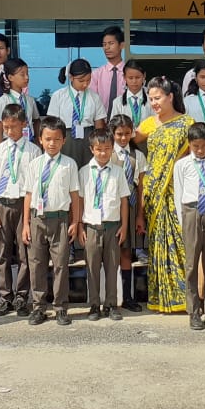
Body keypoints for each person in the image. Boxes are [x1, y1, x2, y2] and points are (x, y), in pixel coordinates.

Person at [134, 76, 194, 313]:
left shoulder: (187, 123)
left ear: (170, 97)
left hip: (177, 191)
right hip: (153, 192)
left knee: (180, 243)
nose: (154, 103)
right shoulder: (148, 124)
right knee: (158, 245)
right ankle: (161, 298)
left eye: (158, 98)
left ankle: (186, 297)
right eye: (151, 99)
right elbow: (129, 141)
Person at [22, 116, 81, 326]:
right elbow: (28, 195)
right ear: (40, 139)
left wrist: (75, 221)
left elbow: (75, 195)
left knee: (60, 264)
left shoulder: (69, 164)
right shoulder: (34, 164)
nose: (52, 143)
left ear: (64, 140)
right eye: (48, 139)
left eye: (56, 139)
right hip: (37, 219)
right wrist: (26, 223)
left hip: (60, 219)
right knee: (36, 264)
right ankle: (38, 307)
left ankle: (60, 307)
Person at [0, 104, 41, 318]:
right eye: (6, 127)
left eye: (14, 127)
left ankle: (21, 296)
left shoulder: (33, 150)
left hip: (23, 204)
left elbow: (35, 184)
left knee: (24, 253)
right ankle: (5, 297)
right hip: (2, 204)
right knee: (3, 253)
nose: (10, 131)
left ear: (24, 124)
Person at [173, 121, 205, 331]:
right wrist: (182, 220)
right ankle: (193, 311)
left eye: (204, 146)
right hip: (191, 211)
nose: (200, 150)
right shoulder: (182, 165)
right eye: (196, 146)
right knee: (192, 264)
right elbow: (178, 194)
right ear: (189, 144)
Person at [79, 128, 130, 321]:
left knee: (112, 267)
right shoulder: (84, 172)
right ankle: (94, 304)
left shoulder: (118, 172)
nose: (103, 153)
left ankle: (111, 304)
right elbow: (80, 200)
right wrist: (79, 226)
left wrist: (124, 226)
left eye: (107, 149)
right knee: (92, 268)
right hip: (91, 227)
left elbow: (124, 200)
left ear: (112, 149)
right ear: (91, 149)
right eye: (99, 149)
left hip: (112, 227)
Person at [111, 114, 146, 311]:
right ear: (112, 134)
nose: (123, 138)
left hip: (131, 207)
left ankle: (127, 296)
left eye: (126, 134)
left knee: (126, 251)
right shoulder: (107, 152)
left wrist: (140, 215)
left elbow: (141, 188)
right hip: (111, 206)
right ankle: (110, 297)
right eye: (119, 134)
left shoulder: (138, 156)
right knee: (110, 252)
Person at [48, 58, 107, 166]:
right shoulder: (58, 96)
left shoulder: (94, 97)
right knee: (67, 168)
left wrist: (99, 143)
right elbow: (51, 124)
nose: (85, 84)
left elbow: (99, 124)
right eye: (81, 81)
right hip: (65, 138)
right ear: (71, 77)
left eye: (88, 80)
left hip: (88, 138)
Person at [0, 57, 39, 145]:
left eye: (27, 74)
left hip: (29, 143)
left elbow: (36, 120)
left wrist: (38, 140)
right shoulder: (3, 101)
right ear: (10, 77)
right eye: (22, 74)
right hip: (10, 143)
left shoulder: (30, 100)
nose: (27, 77)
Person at [90, 25, 126, 117]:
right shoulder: (96, 75)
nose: (106, 47)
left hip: (125, 123)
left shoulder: (130, 74)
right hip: (101, 122)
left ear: (122, 45)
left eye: (111, 43)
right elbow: (92, 103)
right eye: (104, 44)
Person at [110, 60, 147, 125]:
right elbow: (113, 126)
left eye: (137, 77)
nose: (134, 81)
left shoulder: (151, 99)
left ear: (144, 76)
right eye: (130, 78)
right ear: (124, 77)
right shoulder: (117, 102)